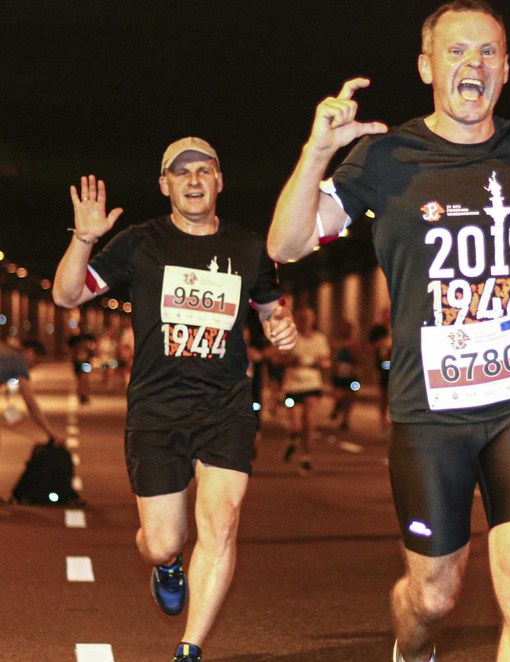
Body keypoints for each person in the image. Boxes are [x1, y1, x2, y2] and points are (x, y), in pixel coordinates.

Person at [266, 2, 510, 659]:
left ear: (506, 69)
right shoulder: (384, 157)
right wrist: (316, 153)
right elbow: (287, 243)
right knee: (433, 596)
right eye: (457, 51)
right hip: (430, 411)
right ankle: (412, 647)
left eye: (488, 51)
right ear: (426, 66)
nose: (474, 63)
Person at [52, 137, 297, 662]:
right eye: (181, 173)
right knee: (163, 540)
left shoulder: (248, 247)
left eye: (203, 170)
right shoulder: (140, 243)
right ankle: (166, 565)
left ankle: (191, 647)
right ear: (165, 185)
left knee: (221, 523)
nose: (193, 180)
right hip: (156, 410)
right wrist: (84, 239)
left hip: (225, 407)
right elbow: (67, 295)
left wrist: (282, 325)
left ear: (219, 180)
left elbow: (271, 308)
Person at [280, 307, 331, 474]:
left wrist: (318, 362)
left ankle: (306, 457)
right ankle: (292, 440)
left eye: (308, 318)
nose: (305, 322)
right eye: (302, 318)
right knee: (295, 425)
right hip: (293, 386)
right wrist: (293, 360)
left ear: (313, 320)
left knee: (309, 422)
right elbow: (280, 358)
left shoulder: (320, 339)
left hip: (312, 385)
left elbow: (326, 360)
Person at [0, 340, 64, 444]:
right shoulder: (18, 362)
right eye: (36, 361)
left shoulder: (7, 352)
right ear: (29, 352)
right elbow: (31, 403)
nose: (34, 366)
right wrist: (51, 433)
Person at [329, 320, 361, 431]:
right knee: (339, 395)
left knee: (350, 397)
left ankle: (345, 420)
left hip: (352, 375)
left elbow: (359, 359)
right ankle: (337, 406)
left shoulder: (355, 344)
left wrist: (353, 350)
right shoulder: (336, 343)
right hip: (338, 374)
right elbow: (332, 357)